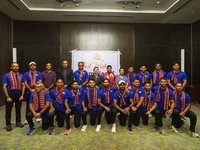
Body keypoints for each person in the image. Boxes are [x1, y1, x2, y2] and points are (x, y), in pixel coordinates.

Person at [2, 62, 25, 131]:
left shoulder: (21, 75)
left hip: (18, 93)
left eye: (17, 66)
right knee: (8, 109)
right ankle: (8, 124)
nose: (15, 67)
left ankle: (18, 122)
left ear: (18, 67)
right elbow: (4, 86)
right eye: (14, 66)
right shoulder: (6, 75)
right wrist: (7, 96)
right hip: (10, 93)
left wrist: (22, 95)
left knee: (18, 109)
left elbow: (23, 85)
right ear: (11, 67)